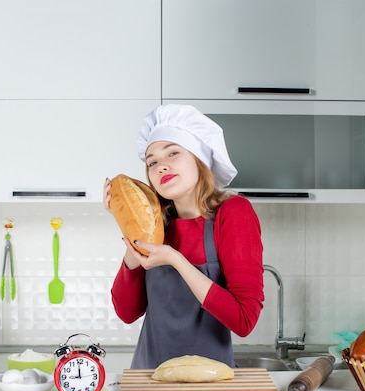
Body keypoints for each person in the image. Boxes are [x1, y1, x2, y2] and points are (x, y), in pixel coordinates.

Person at [104, 104, 264, 369]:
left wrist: (176, 260)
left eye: (173, 153)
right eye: (152, 162)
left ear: (199, 159)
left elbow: (244, 320)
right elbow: (127, 312)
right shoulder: (156, 224)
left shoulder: (233, 213)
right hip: (148, 379)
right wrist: (129, 227)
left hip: (209, 385)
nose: (160, 167)